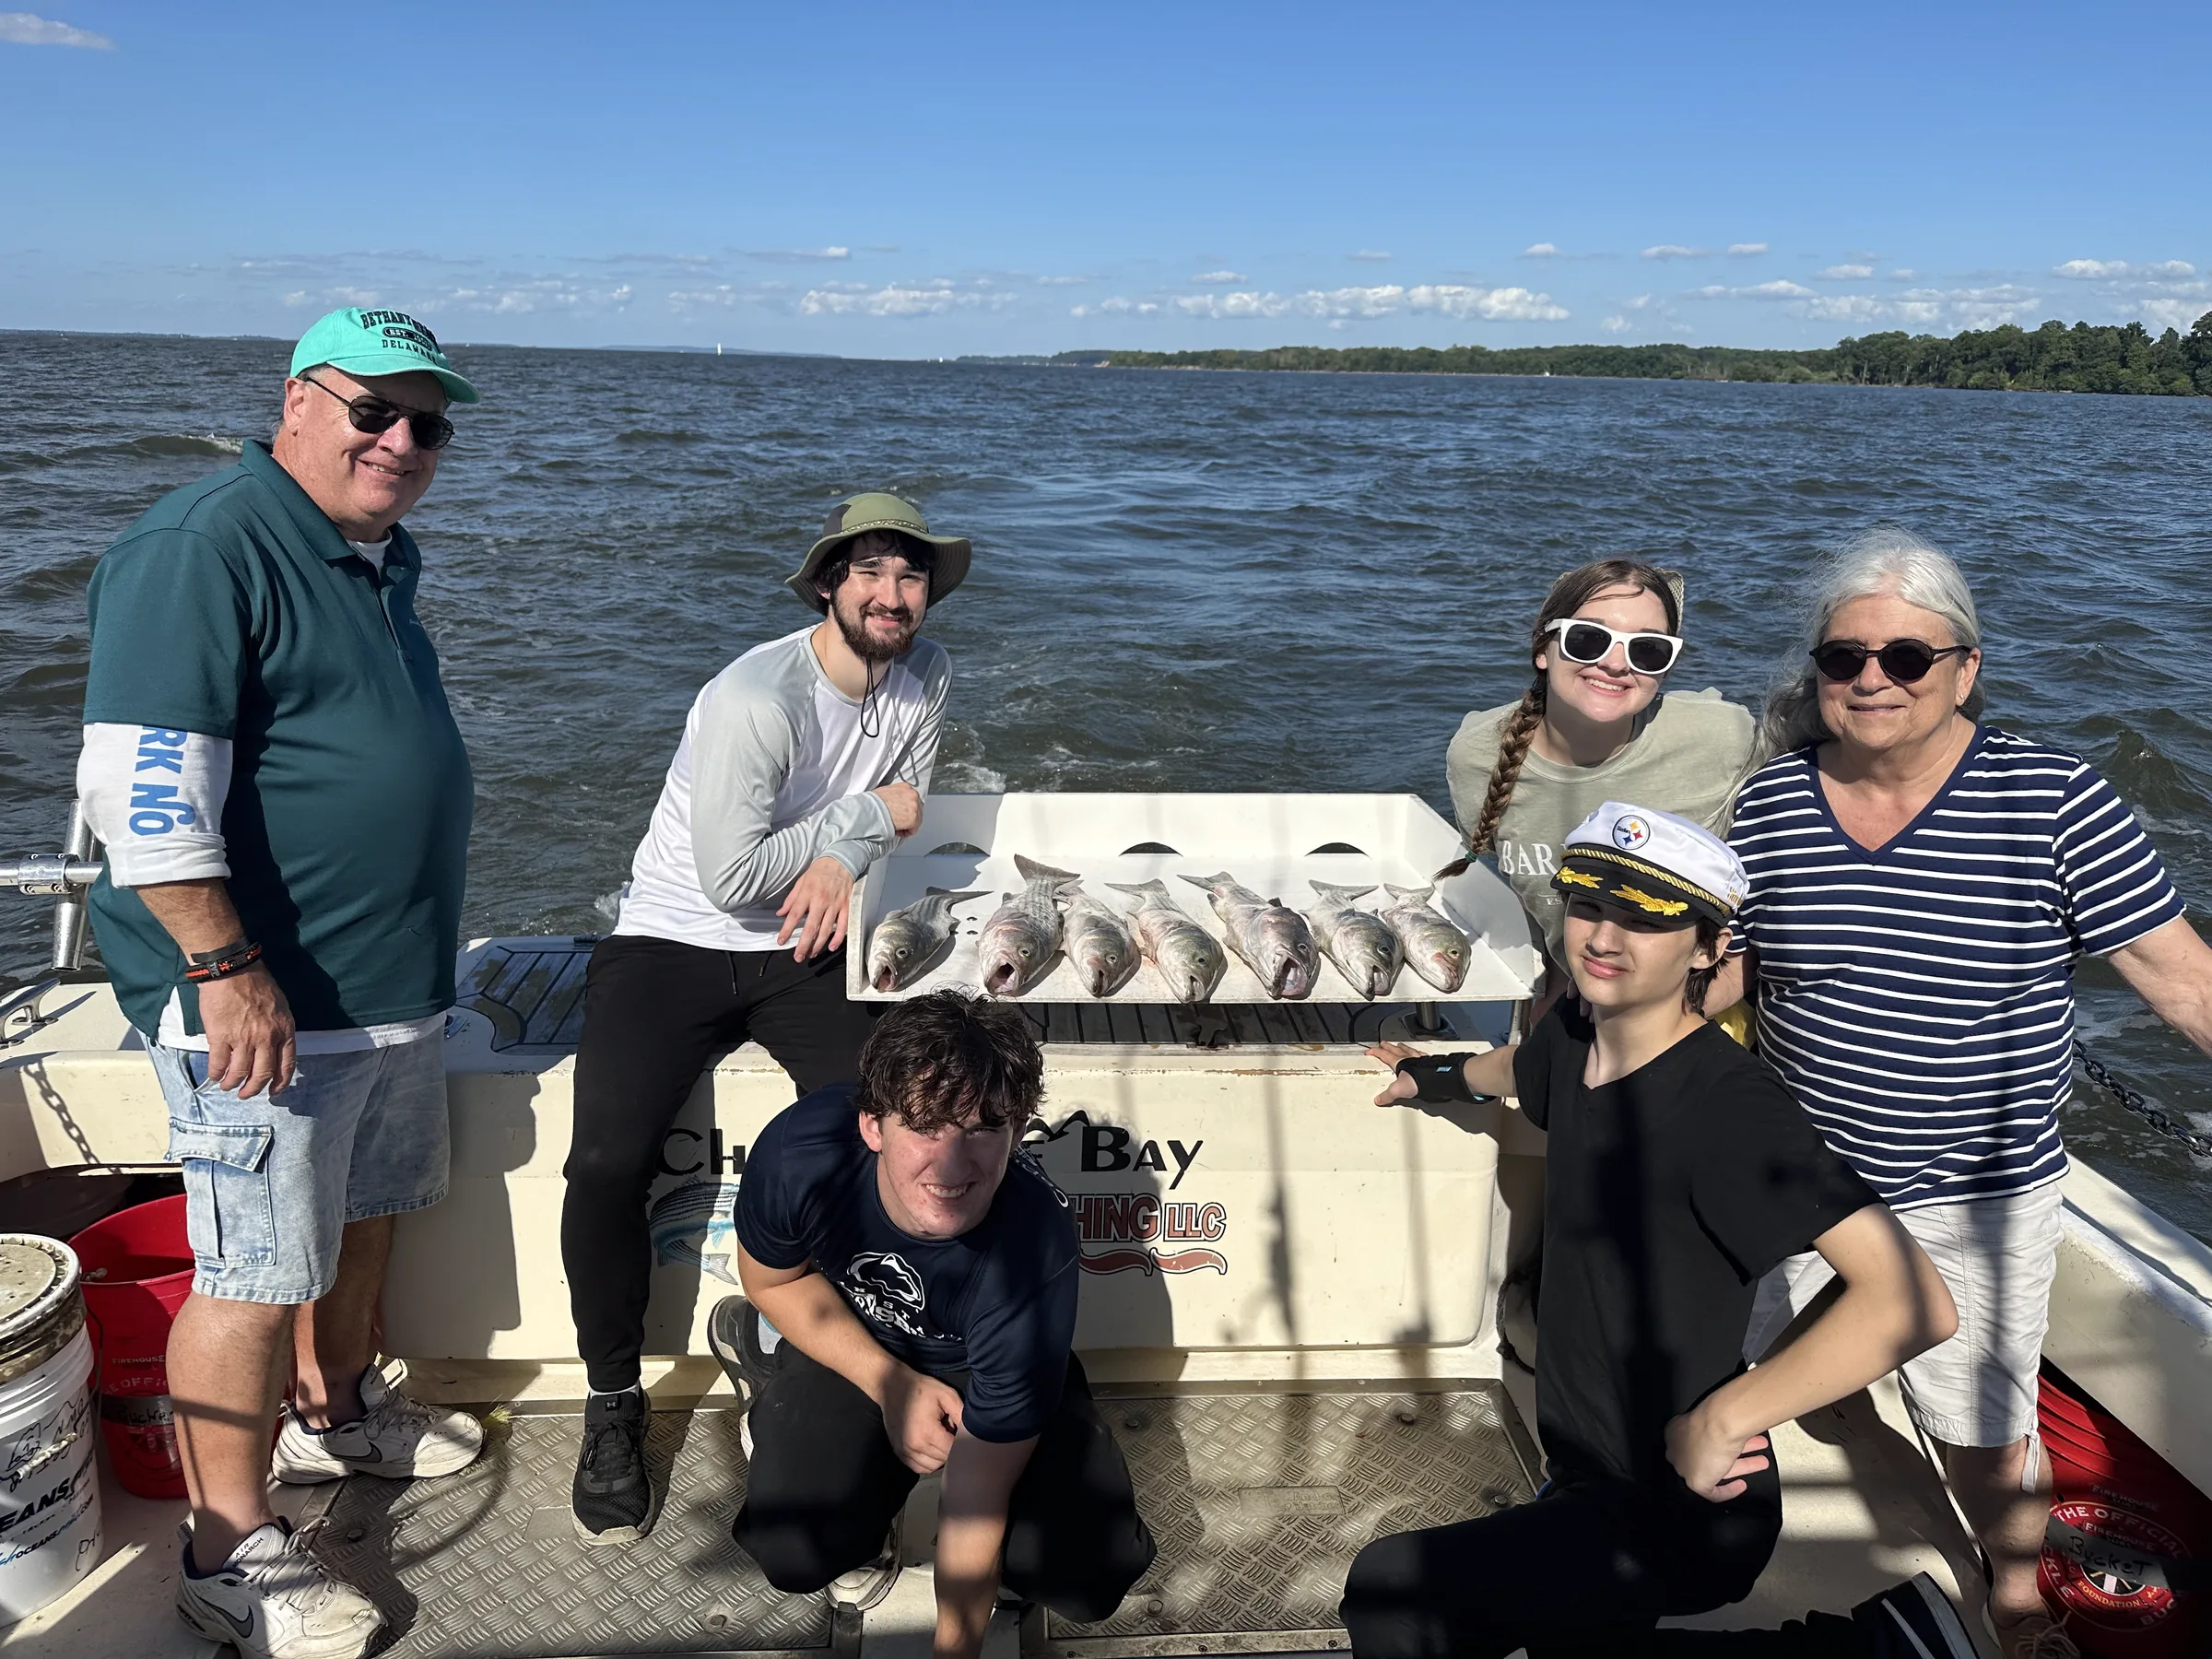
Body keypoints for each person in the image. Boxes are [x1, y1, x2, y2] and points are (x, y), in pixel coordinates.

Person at [1715, 526, 2212, 1659]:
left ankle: (2019, 1585)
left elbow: (2186, 982)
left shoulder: (2052, 797)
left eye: (1907, 658)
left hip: (1975, 1195)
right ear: (1818, 671)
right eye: (1845, 658)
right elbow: (1722, 979)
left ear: (1965, 669)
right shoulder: (1774, 805)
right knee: (1726, 1382)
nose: (1873, 680)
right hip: (1798, 1181)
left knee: (1982, 1436)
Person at [76, 307, 486, 1659]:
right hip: (262, 1002)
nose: (403, 441)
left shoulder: (378, 556)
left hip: (383, 988)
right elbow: (143, 793)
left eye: (428, 422)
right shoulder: (205, 542)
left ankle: (341, 1410)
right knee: (251, 1274)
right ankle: (222, 1548)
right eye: (375, 411)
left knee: (365, 1217)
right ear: (298, 400)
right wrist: (223, 965)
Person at [1348, 804, 1973, 1658]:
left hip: (1681, 1501)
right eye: (1588, 904)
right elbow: (1512, 1071)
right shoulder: (1573, 1035)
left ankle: (1875, 1651)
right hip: (1581, 1466)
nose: (1606, 935)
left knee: (1394, 1593)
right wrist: (1434, 1078)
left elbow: (1912, 1302)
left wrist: (1727, 1417)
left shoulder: (1728, 1107)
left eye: (1647, 917)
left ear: (1711, 947)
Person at [562, 493, 964, 1543]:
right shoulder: (758, 697)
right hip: (677, 941)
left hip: (806, 942)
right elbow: (737, 873)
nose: (891, 594)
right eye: (868, 572)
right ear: (826, 585)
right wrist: (862, 822)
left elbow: (908, 807)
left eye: (910, 575)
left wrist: (846, 850)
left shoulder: (924, 680)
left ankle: (824, 1357)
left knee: (887, 1127)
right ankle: (612, 1401)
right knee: (605, 1163)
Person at [715, 991, 1156, 1656]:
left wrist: (955, 1650)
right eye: (923, 1125)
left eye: (982, 1127)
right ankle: (771, 1373)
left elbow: (974, 1497)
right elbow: (770, 1279)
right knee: (794, 1552)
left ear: (1018, 1128)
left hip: (988, 1360)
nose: (951, 1166)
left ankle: (1048, 1420)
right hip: (858, 1335)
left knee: (1086, 1579)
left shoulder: (1031, 1249)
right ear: (872, 1124)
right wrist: (891, 1383)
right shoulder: (801, 1152)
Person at [1443, 559, 1759, 1014]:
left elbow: (1796, 875)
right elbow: (1547, 908)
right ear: (1542, 647)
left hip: (1698, 1016)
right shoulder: (1478, 756)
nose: (1614, 664)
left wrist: (1689, 1010)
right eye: (1588, 639)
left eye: (1647, 650)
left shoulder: (1722, 737)